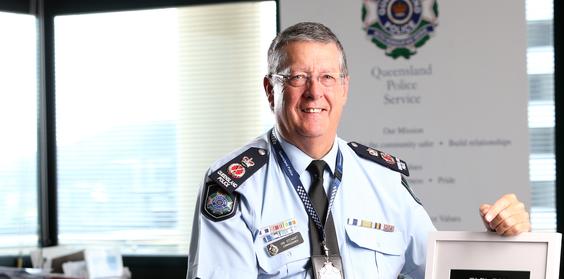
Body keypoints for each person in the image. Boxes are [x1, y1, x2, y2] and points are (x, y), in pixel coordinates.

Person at [187, 22, 531, 279]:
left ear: (345, 88)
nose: (314, 93)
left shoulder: (384, 180)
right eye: (297, 78)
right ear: (269, 89)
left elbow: (442, 270)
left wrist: (506, 242)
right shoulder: (233, 186)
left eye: (327, 78)